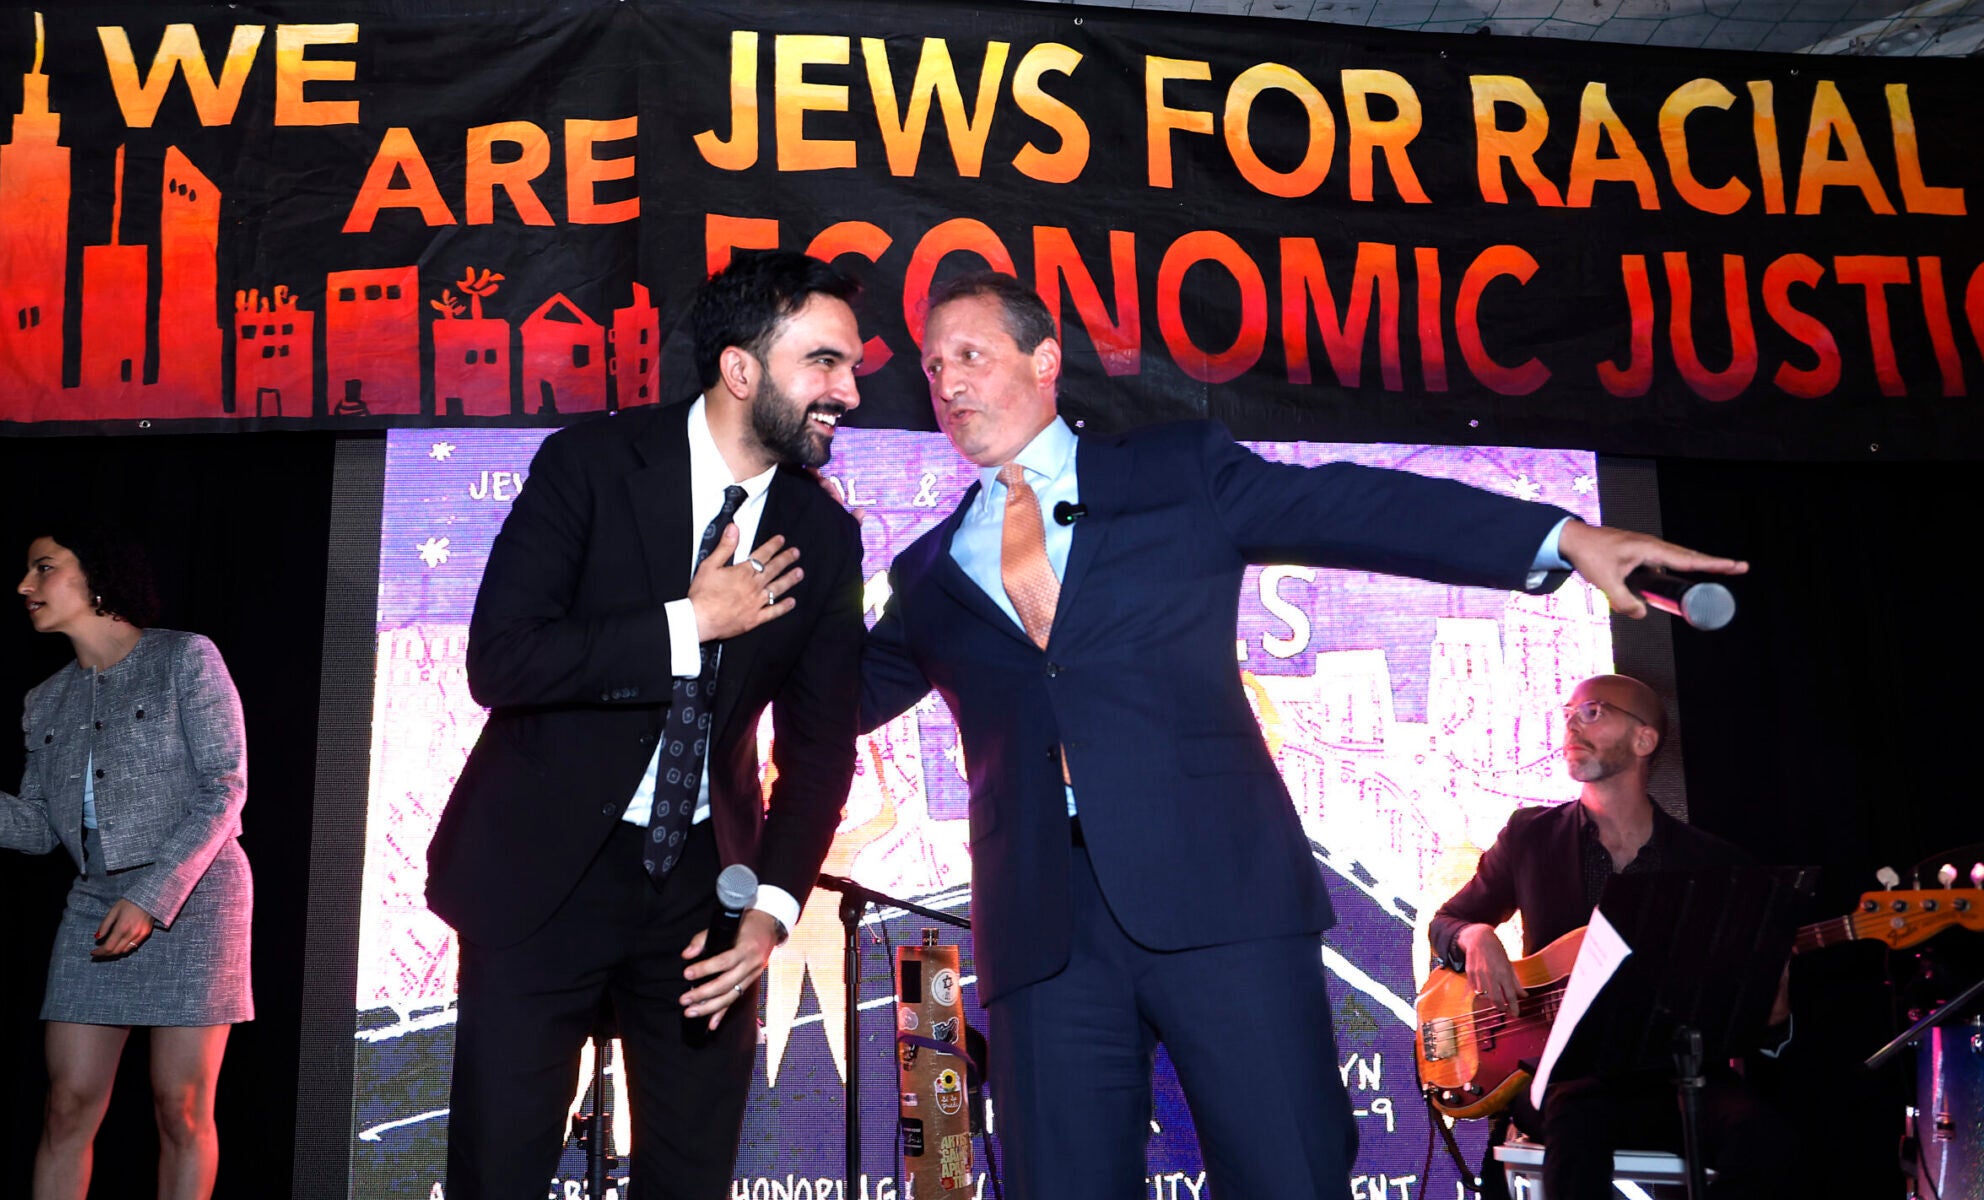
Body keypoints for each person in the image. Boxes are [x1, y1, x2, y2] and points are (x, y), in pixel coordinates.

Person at [857, 270, 1747, 1198]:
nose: (948, 383)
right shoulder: (928, 573)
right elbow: (824, 702)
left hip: (1222, 896)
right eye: (933, 366)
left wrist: (1560, 538)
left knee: (1287, 1175)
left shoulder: (1172, 471)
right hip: (1043, 931)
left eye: (970, 354)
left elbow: (1355, 508)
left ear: (1045, 360)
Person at [425, 250, 866, 1197]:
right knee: (497, 1173)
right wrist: (688, 624)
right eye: (824, 363)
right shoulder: (590, 464)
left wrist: (771, 911)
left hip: (704, 899)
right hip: (540, 875)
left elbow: (822, 747)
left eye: (852, 366)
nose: (849, 391)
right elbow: (501, 661)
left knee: (690, 1178)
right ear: (741, 369)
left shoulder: (826, 536)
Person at [0, 525, 252, 1200]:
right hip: (95, 903)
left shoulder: (185, 657)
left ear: (96, 574)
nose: (25, 586)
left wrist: (152, 895)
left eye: (43, 568)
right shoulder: (44, 700)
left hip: (194, 898)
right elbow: (39, 829)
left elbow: (225, 786)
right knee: (66, 1106)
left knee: (181, 1108)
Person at [1429, 673, 1798, 1199]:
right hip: (1567, 1077)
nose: (1571, 726)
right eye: (1569, 714)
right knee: (1579, 1121)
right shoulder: (1530, 836)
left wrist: (1769, 1014)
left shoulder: (1713, 862)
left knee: (1762, 1138)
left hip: (1674, 1078)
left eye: (1593, 712)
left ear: (1644, 739)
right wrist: (1474, 935)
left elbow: (1751, 1021)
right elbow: (1447, 921)